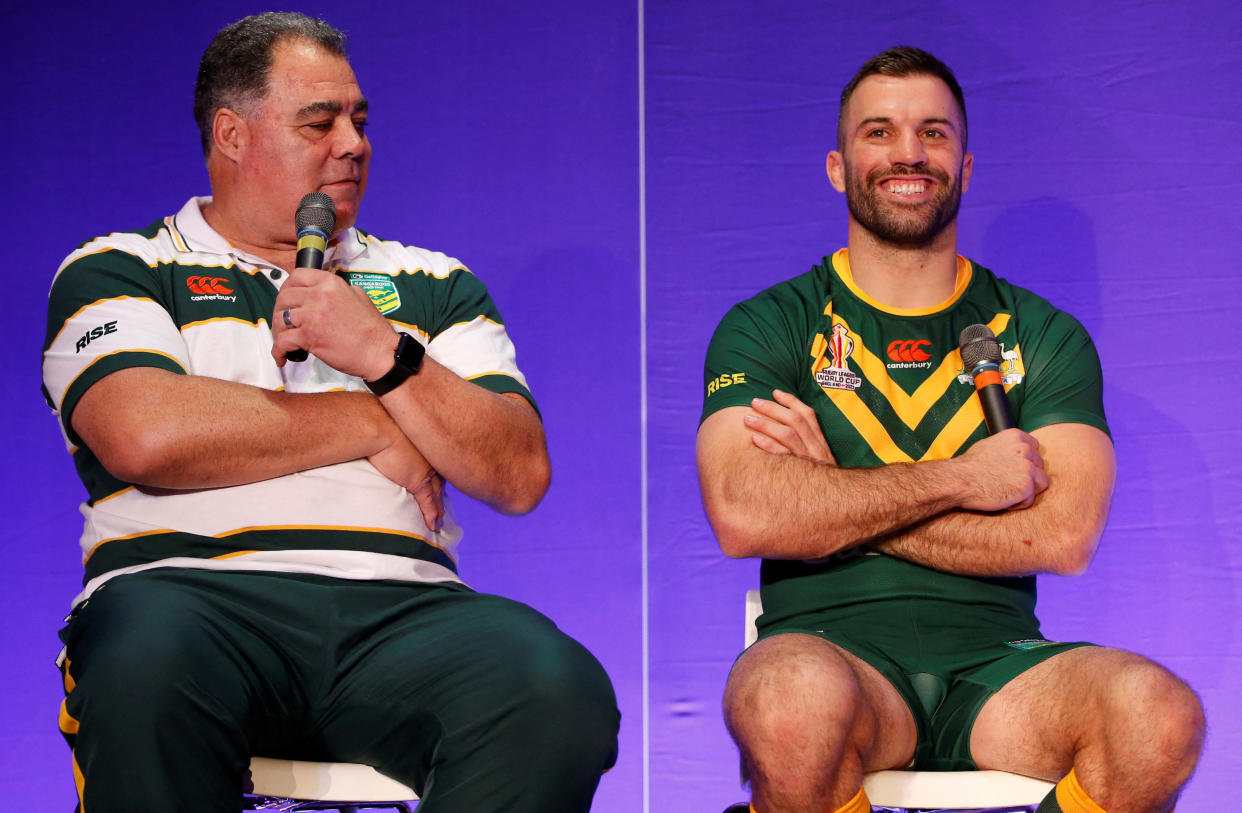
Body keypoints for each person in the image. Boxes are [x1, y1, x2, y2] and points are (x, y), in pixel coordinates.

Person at [41, 12, 618, 813]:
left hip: (402, 613)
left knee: (554, 687)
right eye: (320, 122)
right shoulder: (123, 267)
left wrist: (384, 354)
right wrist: (374, 421)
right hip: (188, 598)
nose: (353, 143)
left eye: (360, 119)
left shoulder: (432, 282)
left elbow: (518, 472)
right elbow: (143, 432)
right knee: (145, 659)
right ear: (232, 135)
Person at [697, 47, 1203, 813]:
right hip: (834, 655)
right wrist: (968, 479)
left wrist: (831, 498)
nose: (908, 152)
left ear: (965, 167)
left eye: (934, 133)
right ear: (838, 167)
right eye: (880, 131)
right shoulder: (771, 325)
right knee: (789, 702)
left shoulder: (1043, 332)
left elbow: (1062, 536)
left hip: (1003, 665)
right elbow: (744, 514)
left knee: (1158, 719)